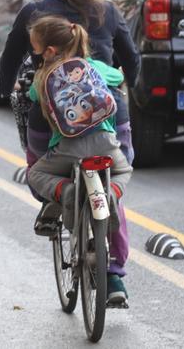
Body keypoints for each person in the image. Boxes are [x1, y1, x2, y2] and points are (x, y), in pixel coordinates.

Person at [0, 0, 139, 305]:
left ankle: (55, 201)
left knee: (39, 166)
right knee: (115, 185)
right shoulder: (108, 12)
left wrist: (4, 89)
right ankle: (116, 276)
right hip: (110, 119)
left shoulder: (35, 12)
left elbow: (9, 59)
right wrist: (120, 92)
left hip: (51, 118)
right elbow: (133, 62)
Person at [25, 16, 133, 308]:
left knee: (35, 174)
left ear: (48, 51)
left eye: (36, 50)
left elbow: (32, 96)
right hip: (106, 146)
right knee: (124, 169)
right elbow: (118, 78)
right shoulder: (94, 67)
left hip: (67, 149)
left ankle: (66, 193)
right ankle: (111, 195)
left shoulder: (44, 75)